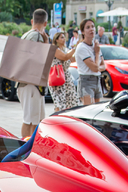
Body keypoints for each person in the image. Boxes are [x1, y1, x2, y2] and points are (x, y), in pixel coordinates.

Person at [18, 8, 49, 137]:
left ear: (32, 21)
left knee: (32, 120)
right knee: (31, 121)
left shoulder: (25, 35)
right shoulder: (37, 36)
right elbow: (40, 60)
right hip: (32, 84)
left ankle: (27, 147)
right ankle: (27, 149)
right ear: (45, 23)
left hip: (24, 83)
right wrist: (46, 43)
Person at [75, 18, 106, 106]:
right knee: (88, 109)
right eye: (88, 27)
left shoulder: (95, 45)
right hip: (86, 80)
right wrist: (96, 53)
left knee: (97, 109)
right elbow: (95, 68)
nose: (91, 29)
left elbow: (103, 66)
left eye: (92, 26)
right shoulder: (82, 47)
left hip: (97, 79)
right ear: (83, 31)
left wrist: (97, 67)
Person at [48, 32, 78, 112]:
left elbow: (71, 59)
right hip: (57, 76)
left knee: (71, 100)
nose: (64, 39)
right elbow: (65, 57)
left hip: (66, 77)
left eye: (64, 37)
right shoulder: (55, 49)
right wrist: (75, 48)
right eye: (61, 37)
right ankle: (57, 119)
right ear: (56, 39)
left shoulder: (65, 49)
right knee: (59, 102)